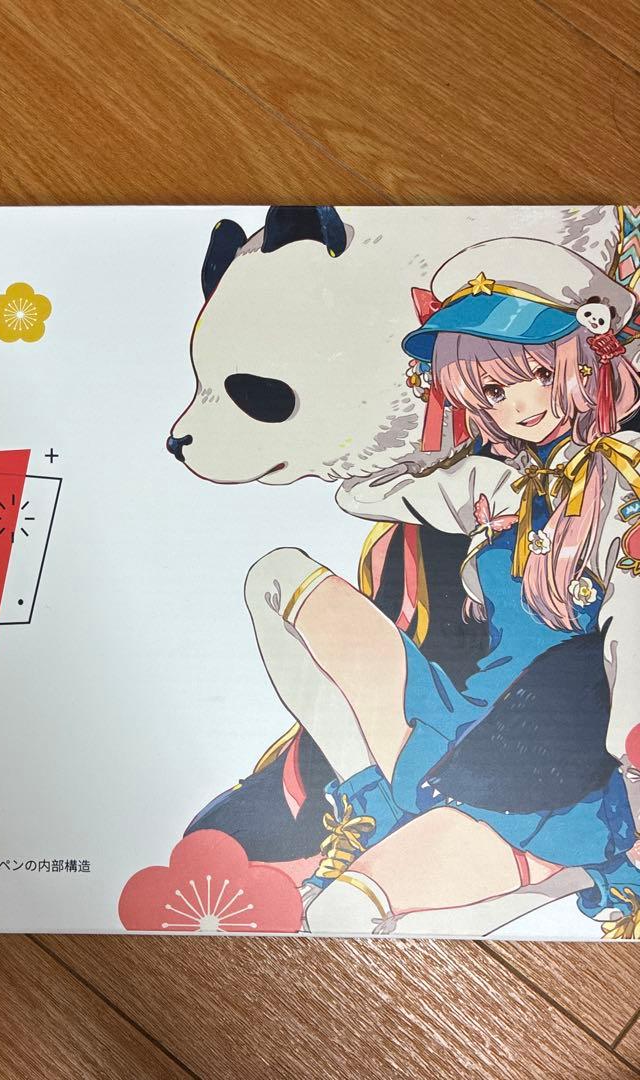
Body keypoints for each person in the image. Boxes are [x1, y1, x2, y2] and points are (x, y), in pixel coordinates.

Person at [244, 237, 640, 936]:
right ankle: (372, 797)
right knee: (275, 575)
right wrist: (463, 470)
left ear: (586, 359)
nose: (517, 405)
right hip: (455, 723)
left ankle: (569, 859)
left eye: (535, 373)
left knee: (338, 912)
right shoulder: (503, 478)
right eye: (490, 391)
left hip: (545, 766)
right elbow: (358, 492)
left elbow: (631, 637)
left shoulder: (624, 483)